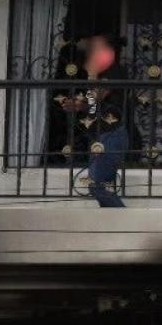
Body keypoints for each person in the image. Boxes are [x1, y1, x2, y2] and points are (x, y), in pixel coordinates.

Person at [60, 32, 129, 207]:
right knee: (99, 186)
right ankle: (117, 226)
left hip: (112, 135)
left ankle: (125, 222)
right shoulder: (99, 73)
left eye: (94, 47)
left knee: (97, 187)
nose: (89, 52)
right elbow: (92, 105)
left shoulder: (115, 71)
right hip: (100, 137)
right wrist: (79, 106)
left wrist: (91, 76)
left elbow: (99, 93)